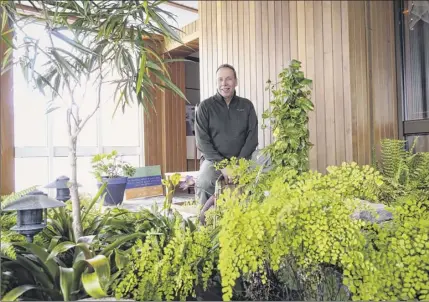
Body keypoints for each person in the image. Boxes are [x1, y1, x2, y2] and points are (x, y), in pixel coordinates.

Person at [195, 64, 258, 206]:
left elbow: (252, 138)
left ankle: (253, 217)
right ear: (216, 82)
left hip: (243, 160)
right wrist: (223, 166)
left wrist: (238, 165)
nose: (224, 83)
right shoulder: (205, 107)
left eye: (228, 79)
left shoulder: (247, 105)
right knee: (205, 181)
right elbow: (202, 142)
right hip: (214, 161)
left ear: (236, 82)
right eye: (220, 79)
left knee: (265, 170)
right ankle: (203, 222)